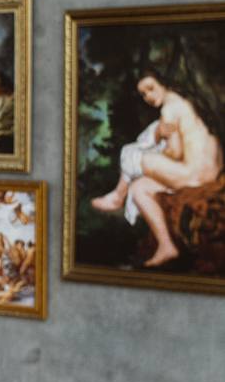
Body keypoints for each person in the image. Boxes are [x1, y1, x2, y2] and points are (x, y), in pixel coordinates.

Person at [91, 71, 223, 266]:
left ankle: (118, 196)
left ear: (165, 83)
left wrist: (158, 145)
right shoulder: (188, 101)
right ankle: (166, 246)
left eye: (151, 89)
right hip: (211, 170)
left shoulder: (170, 108)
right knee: (138, 188)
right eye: (144, 94)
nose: (149, 97)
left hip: (196, 173)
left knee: (134, 154)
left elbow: (175, 153)